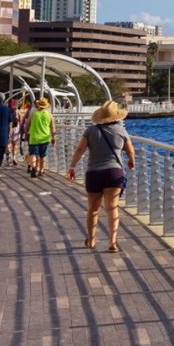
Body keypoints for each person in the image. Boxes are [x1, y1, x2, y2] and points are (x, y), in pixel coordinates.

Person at [65, 99, 134, 252]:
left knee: (93, 209)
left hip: (93, 173)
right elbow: (130, 150)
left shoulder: (91, 131)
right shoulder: (121, 131)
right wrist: (131, 161)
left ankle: (91, 240)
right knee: (112, 207)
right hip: (113, 172)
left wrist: (71, 167)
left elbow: (79, 150)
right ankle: (112, 242)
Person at [24, 96, 54, 178]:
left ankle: (34, 167)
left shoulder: (33, 114)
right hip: (45, 138)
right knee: (42, 155)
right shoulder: (49, 115)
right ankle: (41, 170)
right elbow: (52, 127)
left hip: (34, 137)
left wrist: (25, 134)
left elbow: (27, 125)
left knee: (33, 154)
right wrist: (53, 138)